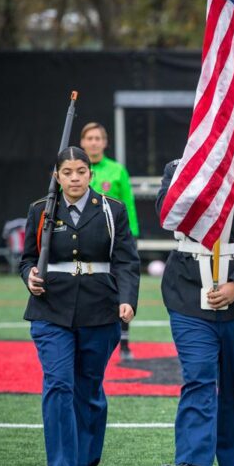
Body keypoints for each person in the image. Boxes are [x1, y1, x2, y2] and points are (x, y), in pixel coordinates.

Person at [20, 146, 140, 466]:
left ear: (91, 174)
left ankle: (85, 462)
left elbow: (127, 261)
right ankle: (60, 465)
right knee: (58, 383)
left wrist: (127, 299)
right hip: (50, 309)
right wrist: (29, 274)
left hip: (99, 308)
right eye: (67, 172)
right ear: (56, 176)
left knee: (88, 388)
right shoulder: (41, 210)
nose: (74, 178)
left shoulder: (111, 210)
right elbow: (26, 257)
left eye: (81, 171)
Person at [156, 160, 234, 466]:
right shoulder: (178, 171)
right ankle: (192, 463)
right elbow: (166, 214)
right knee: (198, 376)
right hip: (188, 292)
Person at [80, 122, 140, 360]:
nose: (93, 142)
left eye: (98, 138)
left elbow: (129, 205)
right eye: (89, 138)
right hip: (82, 245)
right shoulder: (75, 170)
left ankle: (124, 343)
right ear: (82, 142)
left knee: (120, 288)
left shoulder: (117, 170)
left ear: (105, 143)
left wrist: (132, 237)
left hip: (114, 243)